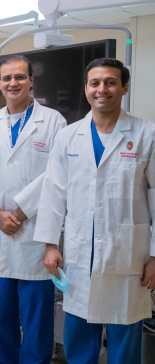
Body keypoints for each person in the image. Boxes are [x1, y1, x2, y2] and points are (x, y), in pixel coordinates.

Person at [34, 58, 155, 364]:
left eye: (111, 82)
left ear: (124, 87)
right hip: (78, 257)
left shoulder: (146, 135)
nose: (102, 89)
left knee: (124, 343)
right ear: (86, 88)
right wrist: (50, 244)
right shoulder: (68, 136)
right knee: (79, 341)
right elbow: (53, 193)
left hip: (128, 258)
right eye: (95, 83)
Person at [0, 55, 66, 364]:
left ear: (31, 80)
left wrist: (20, 213)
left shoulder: (53, 122)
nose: (13, 83)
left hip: (34, 236)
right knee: (0, 316)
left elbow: (55, 174)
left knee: (37, 319)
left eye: (19, 77)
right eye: (6, 78)